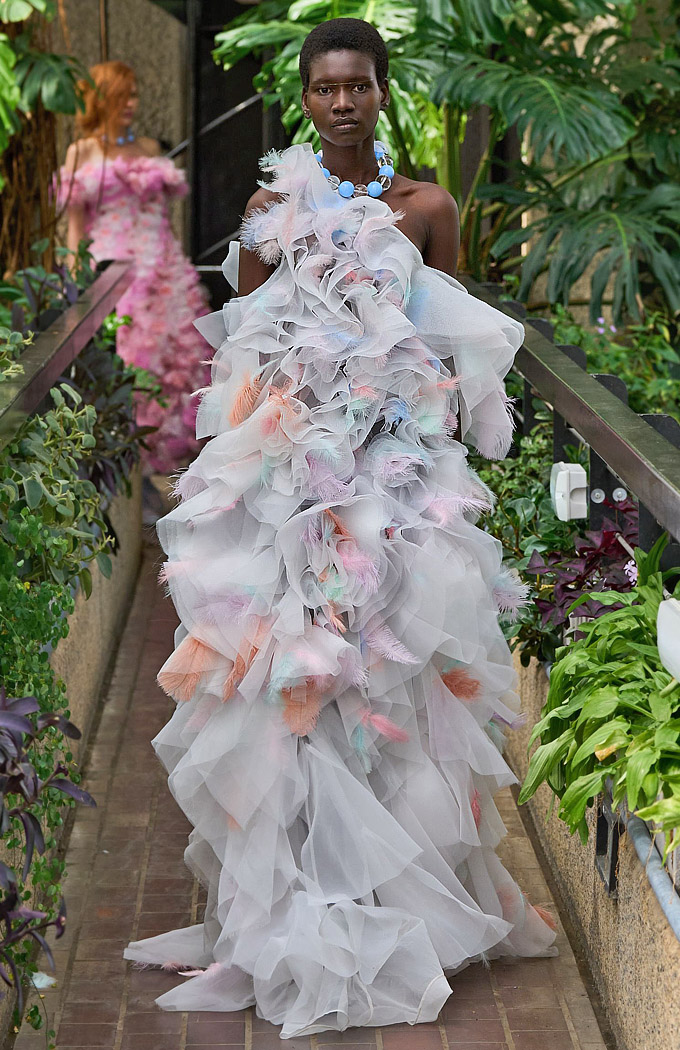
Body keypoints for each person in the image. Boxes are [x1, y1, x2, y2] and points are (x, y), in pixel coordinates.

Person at [124, 18, 557, 1039]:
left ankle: (395, 900)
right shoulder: (272, 208)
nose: (342, 103)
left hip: (397, 485)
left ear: (382, 91)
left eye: (358, 85)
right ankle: (297, 895)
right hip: (292, 486)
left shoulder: (427, 210)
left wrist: (422, 451)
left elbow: (450, 342)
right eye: (325, 88)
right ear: (306, 99)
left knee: (390, 680)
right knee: (297, 681)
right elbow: (244, 336)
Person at [56, 60, 211, 478]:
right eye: (122, 96)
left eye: (134, 95)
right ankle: (129, 457)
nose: (131, 104)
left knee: (176, 360)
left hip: (164, 269)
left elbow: (163, 217)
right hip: (115, 272)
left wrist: (175, 263)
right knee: (130, 359)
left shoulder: (148, 148)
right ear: (101, 99)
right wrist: (73, 282)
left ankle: (168, 455)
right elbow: (74, 230)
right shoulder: (81, 152)